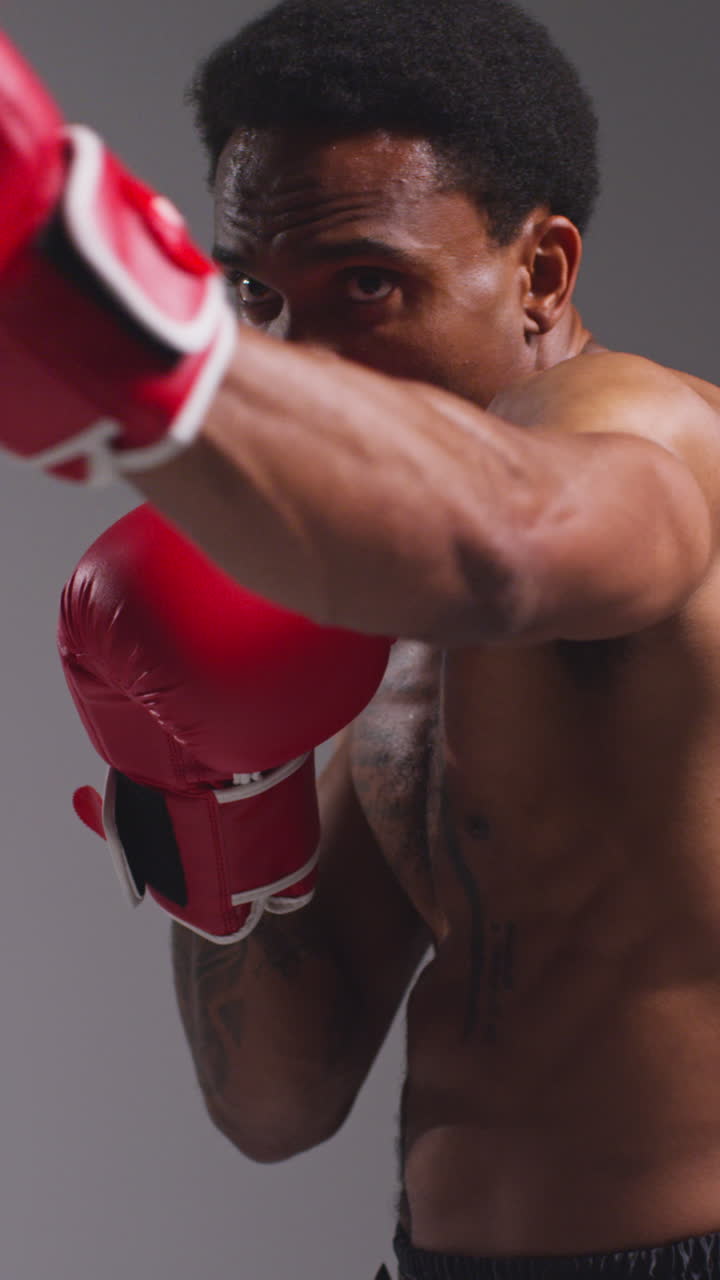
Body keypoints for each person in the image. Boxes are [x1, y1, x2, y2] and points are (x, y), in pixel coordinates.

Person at [3, 0, 720, 1276]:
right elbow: (278, 1100)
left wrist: (132, 339)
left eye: (368, 285)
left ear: (542, 273)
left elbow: (513, 535)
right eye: (255, 294)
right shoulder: (383, 609)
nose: (305, 357)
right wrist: (210, 797)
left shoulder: (647, 433)